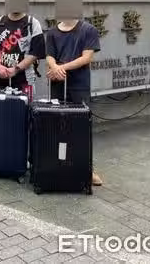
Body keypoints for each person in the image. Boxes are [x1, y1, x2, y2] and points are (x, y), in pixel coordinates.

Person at [45, 17, 103, 186]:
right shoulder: (52, 33)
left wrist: (60, 68)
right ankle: (58, 166)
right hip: (57, 84)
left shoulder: (88, 30)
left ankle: (87, 169)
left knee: (80, 128)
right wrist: (54, 67)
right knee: (58, 127)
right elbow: (49, 56)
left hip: (79, 86)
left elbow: (86, 58)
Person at [0, 10, 45, 91]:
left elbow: (35, 53)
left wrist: (16, 69)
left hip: (25, 79)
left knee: (25, 99)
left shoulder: (33, 23)